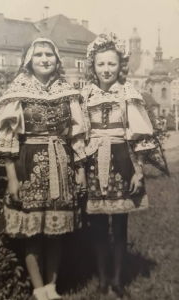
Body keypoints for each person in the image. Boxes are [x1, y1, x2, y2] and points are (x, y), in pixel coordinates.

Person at [0, 36, 86, 300]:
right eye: (38, 55)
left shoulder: (68, 93)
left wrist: (79, 169)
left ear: (57, 60)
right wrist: (12, 177)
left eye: (49, 55)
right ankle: (37, 287)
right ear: (28, 61)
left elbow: (76, 135)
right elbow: (8, 138)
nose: (44, 59)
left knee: (56, 231)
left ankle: (52, 287)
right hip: (28, 165)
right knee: (31, 231)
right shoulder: (17, 92)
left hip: (61, 164)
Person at [81, 32, 159, 298]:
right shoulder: (85, 95)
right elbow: (79, 134)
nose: (106, 69)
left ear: (120, 66)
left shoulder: (128, 94)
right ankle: (102, 280)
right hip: (93, 163)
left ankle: (117, 280)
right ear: (93, 66)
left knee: (121, 224)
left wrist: (138, 171)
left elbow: (138, 136)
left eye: (111, 64)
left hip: (122, 162)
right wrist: (81, 167)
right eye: (101, 64)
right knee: (99, 225)